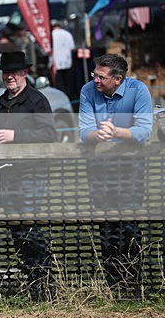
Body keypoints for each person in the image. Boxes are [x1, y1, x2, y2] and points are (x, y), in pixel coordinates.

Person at [79, 53, 152, 299]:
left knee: (129, 223)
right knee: (106, 224)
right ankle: (113, 286)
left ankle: (133, 283)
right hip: (100, 168)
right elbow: (84, 131)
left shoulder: (138, 90)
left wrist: (116, 131)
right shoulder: (88, 91)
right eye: (94, 75)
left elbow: (143, 131)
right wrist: (96, 136)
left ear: (118, 79)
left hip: (130, 167)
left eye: (101, 76)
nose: (95, 80)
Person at [0, 51, 57, 301]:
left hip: (30, 173)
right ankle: (33, 283)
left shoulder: (37, 101)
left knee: (29, 228)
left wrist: (14, 136)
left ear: (25, 74)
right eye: (6, 72)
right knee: (16, 231)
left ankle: (43, 284)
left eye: (15, 73)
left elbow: (48, 134)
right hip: (6, 173)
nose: (9, 77)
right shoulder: (0, 103)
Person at [51, 21, 76, 99]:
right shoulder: (67, 34)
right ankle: (70, 97)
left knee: (59, 84)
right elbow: (72, 47)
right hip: (67, 62)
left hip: (56, 63)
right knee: (69, 83)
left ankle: (61, 98)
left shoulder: (51, 34)